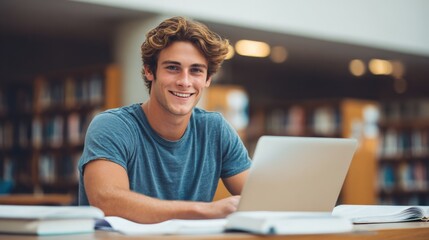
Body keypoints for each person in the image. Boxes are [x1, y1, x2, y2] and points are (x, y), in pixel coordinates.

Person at [78, 16, 251, 224]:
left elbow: (260, 200)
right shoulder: (112, 126)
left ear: (207, 80)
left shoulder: (215, 129)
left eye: (196, 70)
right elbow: (107, 201)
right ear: (150, 71)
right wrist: (205, 210)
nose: (184, 82)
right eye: (172, 68)